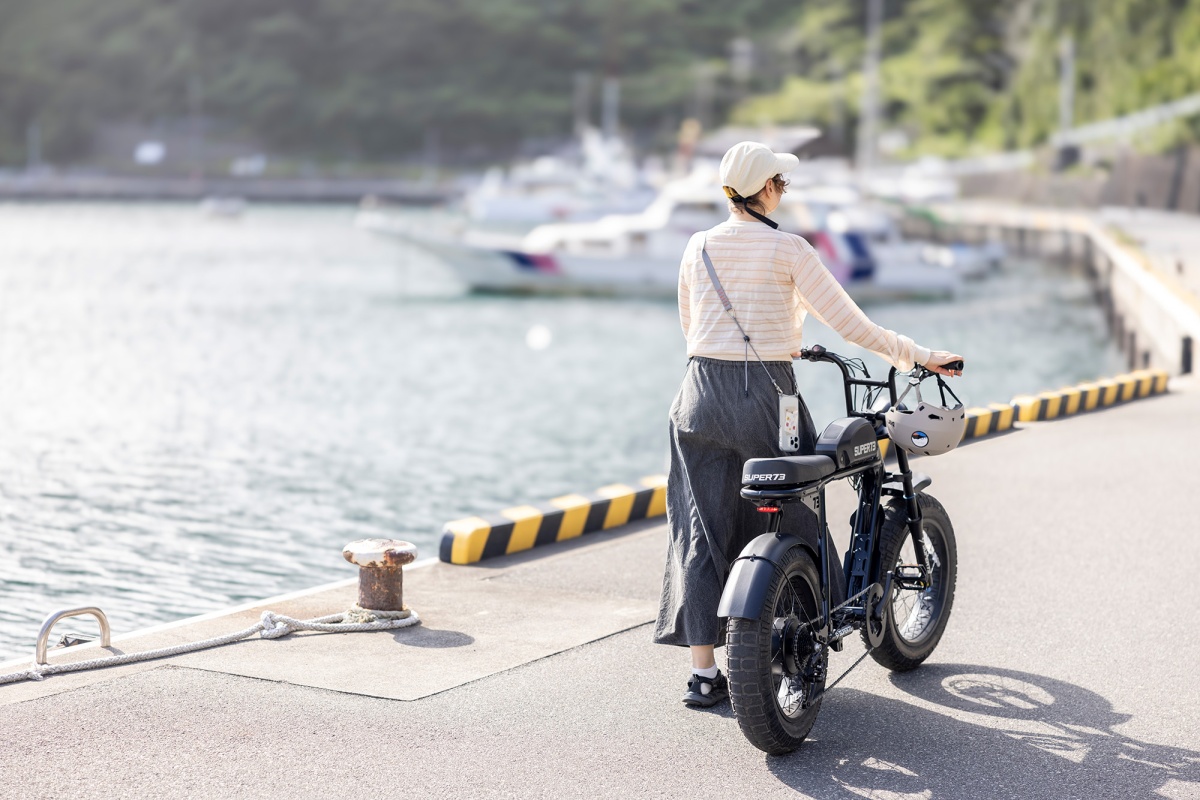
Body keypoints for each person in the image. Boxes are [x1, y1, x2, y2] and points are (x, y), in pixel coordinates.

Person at [654, 141, 964, 708]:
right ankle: (804, 631)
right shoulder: (788, 250)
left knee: (701, 530)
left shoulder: (696, 248)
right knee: (799, 508)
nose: (784, 194)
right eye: (783, 184)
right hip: (767, 395)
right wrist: (916, 356)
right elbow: (851, 324)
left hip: (696, 396)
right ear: (766, 189)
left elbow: (689, 325)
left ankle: (704, 673)